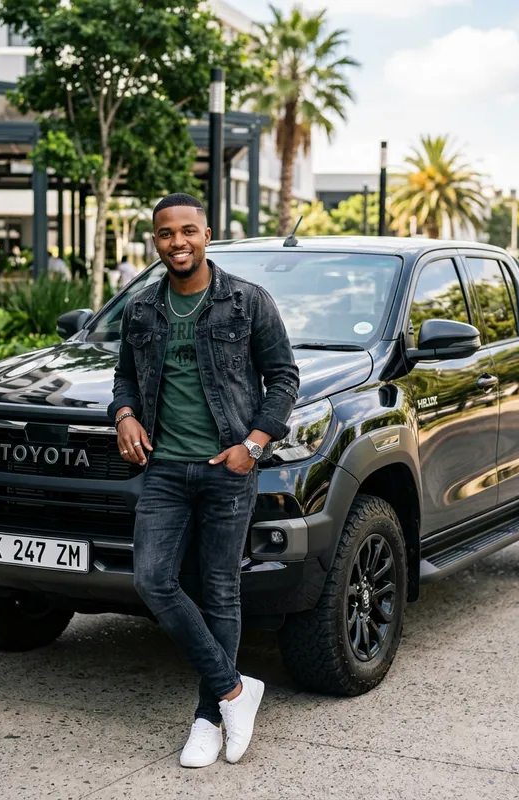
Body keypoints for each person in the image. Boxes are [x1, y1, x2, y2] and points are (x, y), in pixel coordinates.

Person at [109, 193, 299, 768]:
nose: (178, 242)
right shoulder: (142, 309)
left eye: (188, 231)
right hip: (165, 469)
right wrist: (124, 416)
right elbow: (123, 379)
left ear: (207, 234)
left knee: (220, 591)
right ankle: (236, 690)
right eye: (166, 234)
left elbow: (284, 377)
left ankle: (207, 717)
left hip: (227, 468)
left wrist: (253, 445)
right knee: (153, 580)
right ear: (156, 241)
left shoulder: (246, 301)